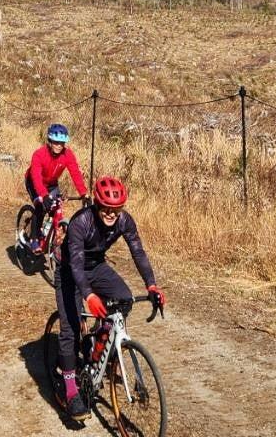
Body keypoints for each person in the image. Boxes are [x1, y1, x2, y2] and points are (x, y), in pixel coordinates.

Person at [54, 176, 164, 419]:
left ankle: (99, 346)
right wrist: (89, 295)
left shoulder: (124, 220)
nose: (111, 213)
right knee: (70, 328)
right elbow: (76, 265)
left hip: (96, 266)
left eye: (116, 208)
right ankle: (70, 391)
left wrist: (152, 285)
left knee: (123, 299)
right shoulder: (81, 222)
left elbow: (138, 252)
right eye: (106, 208)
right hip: (70, 270)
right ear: (96, 204)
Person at [24, 123, 87, 254]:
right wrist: (44, 196)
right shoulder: (39, 154)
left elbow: (75, 173)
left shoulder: (68, 155)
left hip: (52, 183)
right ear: (50, 141)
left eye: (62, 143)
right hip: (34, 182)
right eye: (56, 142)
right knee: (40, 207)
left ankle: (51, 235)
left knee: (56, 208)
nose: (59, 146)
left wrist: (83, 193)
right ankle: (34, 239)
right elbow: (36, 177)